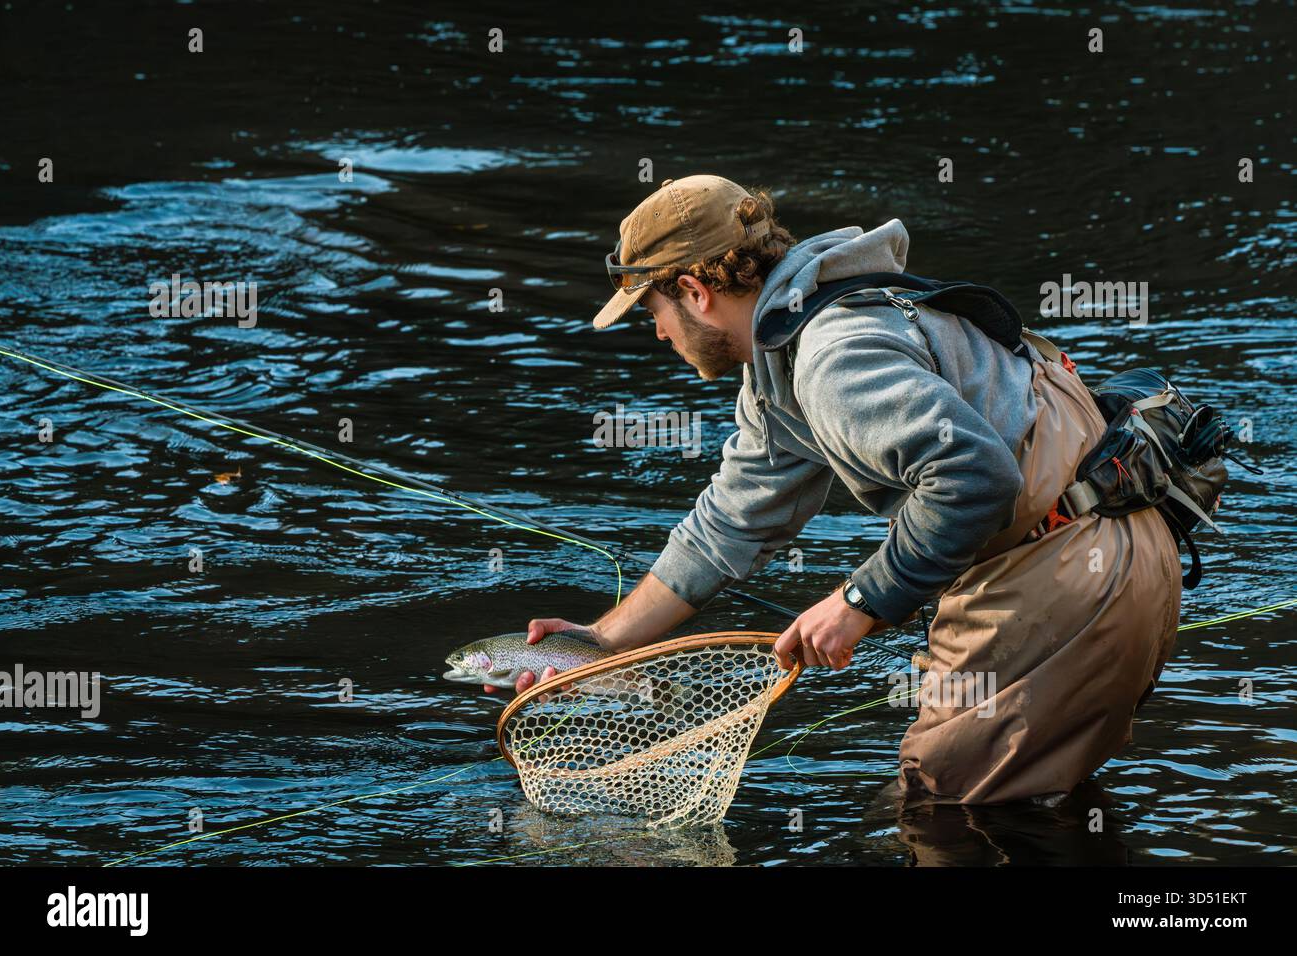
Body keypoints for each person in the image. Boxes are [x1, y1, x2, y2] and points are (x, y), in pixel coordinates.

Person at [502, 174, 1181, 804]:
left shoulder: (831, 355)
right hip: (1121, 558)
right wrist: (599, 643)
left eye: (653, 308)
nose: (657, 331)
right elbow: (728, 526)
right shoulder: (792, 347)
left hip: (1060, 581)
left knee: (942, 815)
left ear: (695, 291)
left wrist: (859, 601)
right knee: (1023, 811)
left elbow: (974, 478)